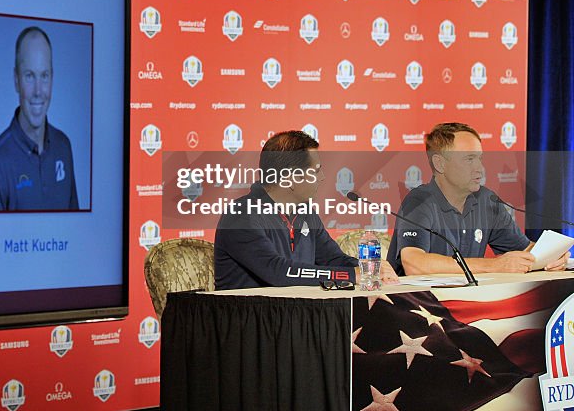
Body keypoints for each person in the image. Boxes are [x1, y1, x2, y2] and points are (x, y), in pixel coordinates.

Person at [214, 130, 398, 290]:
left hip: (295, 315)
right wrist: (351, 275)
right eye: (316, 170)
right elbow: (278, 272)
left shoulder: (305, 213)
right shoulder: (239, 216)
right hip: (247, 322)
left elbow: (333, 259)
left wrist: (370, 268)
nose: (323, 177)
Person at [388, 122, 569, 275]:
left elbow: (524, 250)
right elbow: (413, 263)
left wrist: (551, 257)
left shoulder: (486, 199)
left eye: (479, 159)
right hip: (416, 308)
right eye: (469, 159)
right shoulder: (419, 200)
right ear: (440, 163)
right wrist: (494, 266)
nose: (480, 169)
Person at [0, 26, 78, 211]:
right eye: (29, 76)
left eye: (44, 76)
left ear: (52, 78)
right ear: (16, 80)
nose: (38, 91)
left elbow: (76, 230)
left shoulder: (64, 147)